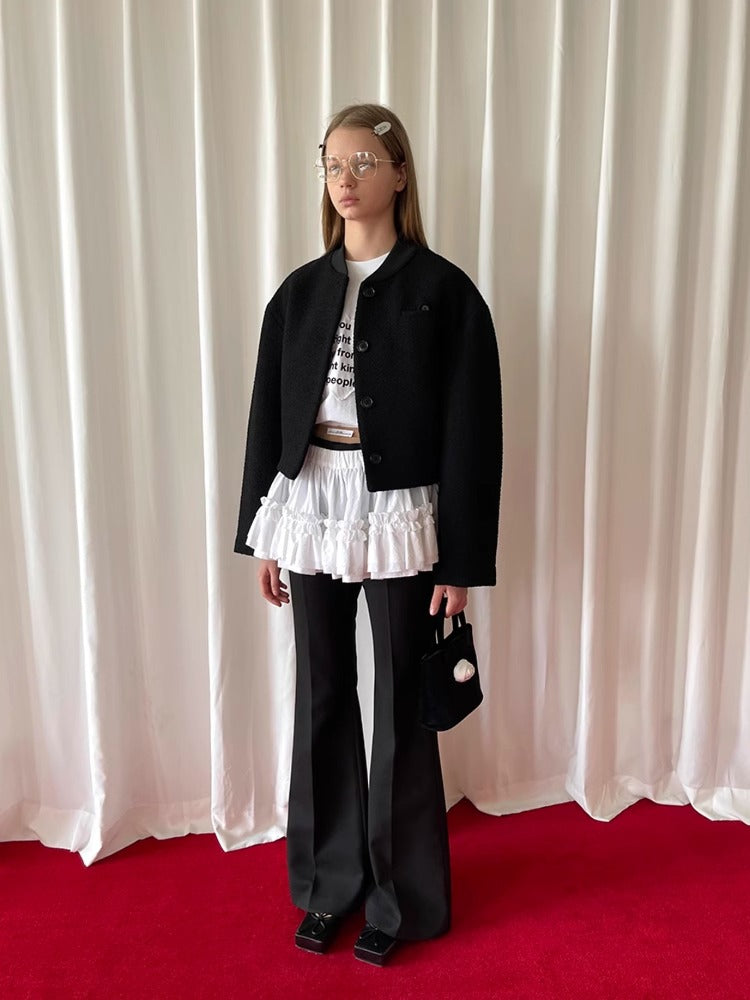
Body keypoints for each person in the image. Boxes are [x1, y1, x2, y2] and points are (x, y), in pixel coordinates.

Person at [234, 102, 502, 966]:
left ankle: (401, 900)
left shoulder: (445, 293)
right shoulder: (299, 293)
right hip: (311, 502)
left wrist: (461, 559)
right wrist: (263, 531)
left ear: (398, 174)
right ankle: (328, 884)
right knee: (321, 694)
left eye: (361, 164)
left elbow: (473, 434)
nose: (344, 181)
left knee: (400, 704)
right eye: (332, 165)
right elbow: (267, 415)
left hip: (399, 514)